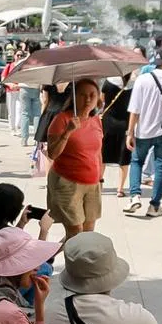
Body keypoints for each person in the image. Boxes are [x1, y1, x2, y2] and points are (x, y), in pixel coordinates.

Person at [125, 45, 162, 218]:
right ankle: (155, 205)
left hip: (142, 130)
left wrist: (130, 132)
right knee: (161, 166)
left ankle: (135, 195)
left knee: (136, 162)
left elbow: (134, 109)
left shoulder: (143, 79)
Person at [46, 78, 104, 241]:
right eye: (82, 95)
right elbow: (52, 153)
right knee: (75, 233)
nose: (87, 99)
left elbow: (98, 153)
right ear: (74, 97)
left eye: (92, 95)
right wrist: (68, 132)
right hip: (67, 183)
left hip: (92, 183)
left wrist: (100, 179)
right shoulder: (62, 119)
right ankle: (69, 265)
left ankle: (50, 257)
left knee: (87, 234)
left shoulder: (96, 120)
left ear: (98, 98)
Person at [18, 43, 43, 147]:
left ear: (28, 49)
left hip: (24, 88)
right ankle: (36, 139)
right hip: (36, 88)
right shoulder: (41, 62)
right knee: (37, 114)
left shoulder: (23, 62)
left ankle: (24, 139)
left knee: (25, 114)